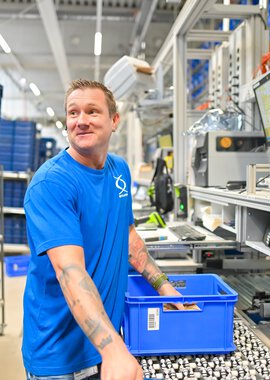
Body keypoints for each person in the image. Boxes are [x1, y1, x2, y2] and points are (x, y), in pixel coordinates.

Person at [22, 79, 183, 379]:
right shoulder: (51, 184)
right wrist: (114, 350)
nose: (81, 121)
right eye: (73, 113)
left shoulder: (118, 169)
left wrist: (163, 286)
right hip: (59, 355)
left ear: (114, 121)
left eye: (92, 111)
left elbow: (128, 236)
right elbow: (71, 272)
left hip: (104, 342)